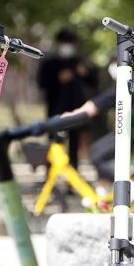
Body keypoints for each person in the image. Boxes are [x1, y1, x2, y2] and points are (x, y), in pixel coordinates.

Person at [66, 53, 134, 194]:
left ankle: (130, 187)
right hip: (131, 130)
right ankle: (104, 189)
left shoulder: (128, 81)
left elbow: (100, 102)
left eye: (115, 62)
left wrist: (74, 115)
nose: (113, 66)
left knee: (97, 157)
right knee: (96, 150)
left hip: (133, 132)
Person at [37, 28, 98, 167]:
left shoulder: (80, 62)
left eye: (70, 42)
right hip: (55, 108)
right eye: (64, 42)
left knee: (74, 146)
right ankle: (50, 178)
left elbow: (94, 82)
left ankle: (73, 181)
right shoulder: (49, 62)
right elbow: (42, 83)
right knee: (53, 144)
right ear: (58, 43)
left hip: (76, 109)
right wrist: (58, 78)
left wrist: (85, 73)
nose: (67, 46)